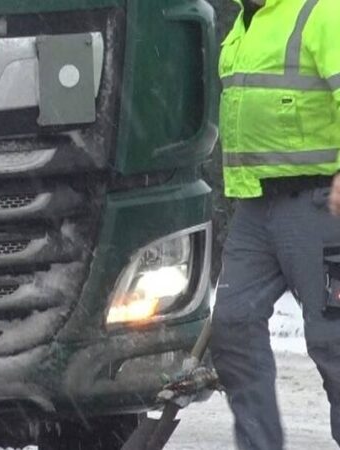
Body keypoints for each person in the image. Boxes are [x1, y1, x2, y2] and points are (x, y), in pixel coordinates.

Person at [209, 0, 340, 448]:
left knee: (335, 341)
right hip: (254, 210)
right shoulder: (242, 27)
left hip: (322, 207)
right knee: (232, 326)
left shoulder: (323, 13)